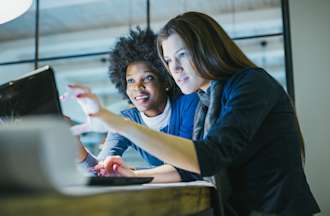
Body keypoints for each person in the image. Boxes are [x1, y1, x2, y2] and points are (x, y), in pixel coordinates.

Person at [77, 12, 320, 215]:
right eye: (170, 61)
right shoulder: (206, 100)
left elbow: (210, 157)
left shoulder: (251, 83)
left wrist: (118, 123)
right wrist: (134, 174)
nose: (176, 69)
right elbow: (190, 167)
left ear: (207, 48)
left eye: (182, 55)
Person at [72, 27, 200, 183]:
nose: (137, 87)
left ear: (166, 81)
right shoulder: (127, 120)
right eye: (130, 81)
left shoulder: (189, 103)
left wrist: (134, 175)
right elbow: (101, 171)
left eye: (148, 78)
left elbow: (190, 167)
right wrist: (79, 151)